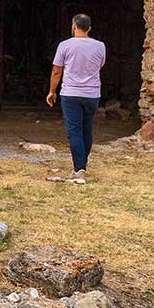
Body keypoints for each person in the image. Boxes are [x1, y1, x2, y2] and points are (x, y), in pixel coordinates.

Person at [45, 13, 106, 184]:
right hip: (92, 94)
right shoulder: (100, 46)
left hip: (71, 93)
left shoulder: (65, 45)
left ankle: (80, 169)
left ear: (73, 26)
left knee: (74, 131)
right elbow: (100, 65)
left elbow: (57, 70)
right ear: (89, 28)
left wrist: (52, 91)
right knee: (87, 129)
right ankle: (81, 165)